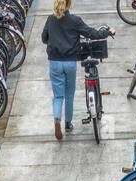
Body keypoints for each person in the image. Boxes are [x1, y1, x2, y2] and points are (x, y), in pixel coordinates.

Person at [41, 0, 114, 142]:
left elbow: (44, 38)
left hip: (54, 62)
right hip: (70, 63)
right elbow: (92, 33)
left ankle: (57, 120)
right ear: (69, 4)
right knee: (69, 95)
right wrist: (108, 31)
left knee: (58, 96)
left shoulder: (50, 19)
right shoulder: (75, 21)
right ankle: (68, 124)